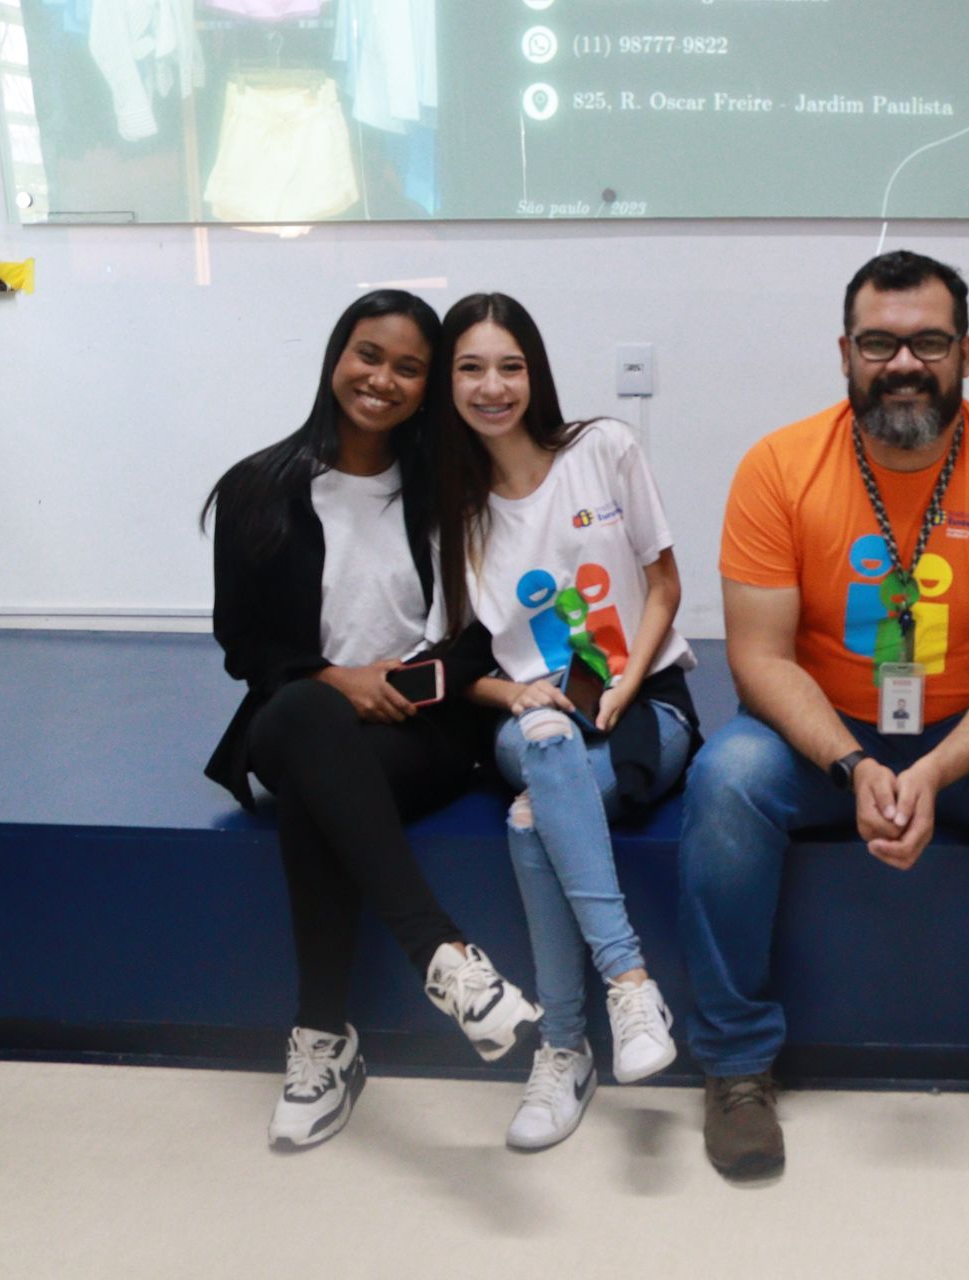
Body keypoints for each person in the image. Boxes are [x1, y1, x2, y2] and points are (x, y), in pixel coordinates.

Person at [678, 250, 969, 1183]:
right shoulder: (778, 466)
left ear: (967, 353)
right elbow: (758, 658)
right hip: (826, 731)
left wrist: (937, 769)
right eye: (879, 343)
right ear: (845, 352)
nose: (904, 364)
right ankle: (736, 1066)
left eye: (929, 343)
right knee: (725, 780)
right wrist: (852, 764)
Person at [203, 290, 541, 1152]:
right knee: (305, 715)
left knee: (318, 796)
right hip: (297, 712)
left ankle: (322, 1040)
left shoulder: (450, 492)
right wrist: (335, 680)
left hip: (420, 730)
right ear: (336, 357)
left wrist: (404, 686)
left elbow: (482, 635)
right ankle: (445, 957)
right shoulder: (258, 487)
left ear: (429, 386)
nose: (382, 379)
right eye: (368, 355)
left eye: (409, 367)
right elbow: (244, 643)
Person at [430, 292, 700, 1152]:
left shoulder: (604, 449)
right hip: (533, 715)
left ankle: (563, 1046)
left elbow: (664, 586)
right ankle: (630, 983)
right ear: (447, 383)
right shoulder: (449, 510)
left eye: (509, 366)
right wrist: (512, 698)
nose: (492, 387)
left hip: (643, 700)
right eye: (471, 368)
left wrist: (624, 685)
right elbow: (454, 662)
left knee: (529, 818)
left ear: (535, 373)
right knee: (547, 745)